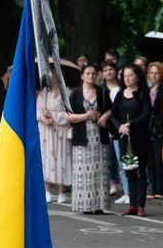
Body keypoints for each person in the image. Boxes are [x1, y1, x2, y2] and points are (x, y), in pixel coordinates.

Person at [68, 64, 112, 214]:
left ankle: (99, 205)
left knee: (100, 171)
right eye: (88, 73)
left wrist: (105, 115)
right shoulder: (75, 94)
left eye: (93, 73)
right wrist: (85, 116)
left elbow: (111, 109)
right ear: (82, 76)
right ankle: (85, 205)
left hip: (99, 137)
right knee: (83, 172)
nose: (91, 76)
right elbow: (68, 116)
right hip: (82, 136)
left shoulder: (103, 92)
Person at [111, 64, 151, 217]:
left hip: (140, 137)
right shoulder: (120, 94)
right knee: (129, 170)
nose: (127, 78)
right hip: (124, 137)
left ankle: (140, 205)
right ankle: (131, 203)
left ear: (137, 77)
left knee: (140, 171)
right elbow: (113, 115)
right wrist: (119, 126)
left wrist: (131, 124)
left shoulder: (142, 93)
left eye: (130, 75)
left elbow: (147, 113)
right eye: (125, 76)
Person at [37, 69, 72, 203]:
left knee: (61, 157)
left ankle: (61, 191)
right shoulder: (44, 93)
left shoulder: (67, 93)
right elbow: (38, 110)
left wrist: (54, 116)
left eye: (54, 75)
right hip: (46, 130)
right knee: (46, 157)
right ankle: (47, 190)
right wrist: (44, 118)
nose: (52, 78)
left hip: (61, 129)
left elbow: (69, 113)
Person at [146, 61, 163, 199]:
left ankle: (162, 190)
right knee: (150, 160)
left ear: (162, 75)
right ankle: (153, 189)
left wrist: (158, 120)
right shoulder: (147, 89)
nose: (154, 76)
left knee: (160, 159)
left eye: (157, 73)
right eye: (152, 73)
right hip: (148, 129)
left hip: (161, 127)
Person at [101, 60, 124, 197]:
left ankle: (124, 189)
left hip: (118, 126)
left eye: (110, 69)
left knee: (120, 158)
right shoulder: (101, 89)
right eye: (105, 70)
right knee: (108, 159)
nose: (108, 72)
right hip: (105, 126)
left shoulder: (121, 88)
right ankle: (111, 183)